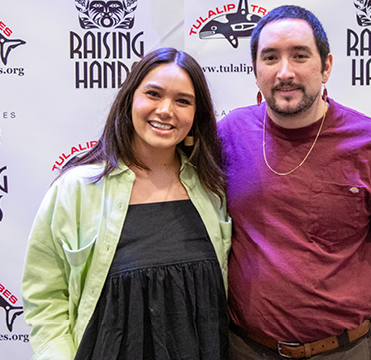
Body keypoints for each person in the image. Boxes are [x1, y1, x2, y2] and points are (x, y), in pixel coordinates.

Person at [217, 6, 371, 360]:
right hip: (243, 348)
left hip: (342, 351)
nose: (285, 72)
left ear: (327, 66)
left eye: (300, 55)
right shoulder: (229, 134)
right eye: (270, 58)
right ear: (255, 71)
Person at [21, 47, 232, 360]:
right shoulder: (77, 190)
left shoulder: (211, 188)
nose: (165, 110)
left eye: (182, 101)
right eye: (153, 94)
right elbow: (45, 298)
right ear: (130, 99)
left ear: (196, 114)